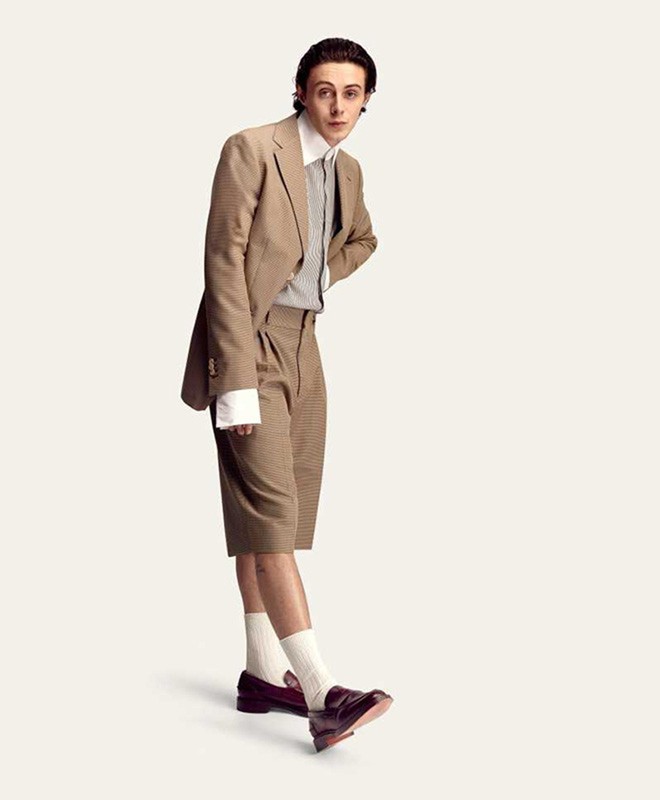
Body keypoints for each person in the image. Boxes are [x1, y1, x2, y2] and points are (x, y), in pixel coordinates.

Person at [180, 37, 393, 752]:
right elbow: (224, 263)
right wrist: (235, 380)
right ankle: (322, 692)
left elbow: (363, 240)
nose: (338, 106)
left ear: (366, 101)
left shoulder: (347, 169)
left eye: (352, 93)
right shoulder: (252, 148)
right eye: (325, 90)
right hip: (251, 341)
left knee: (275, 519)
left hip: (307, 347)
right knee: (271, 518)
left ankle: (261, 673)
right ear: (301, 90)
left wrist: (319, 272)